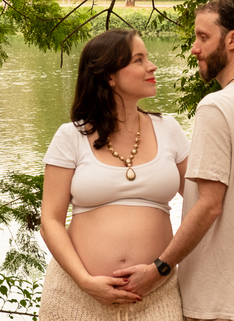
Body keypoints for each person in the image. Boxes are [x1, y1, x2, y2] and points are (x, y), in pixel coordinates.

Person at [113, 0, 234, 321]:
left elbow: (210, 204)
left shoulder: (216, 107)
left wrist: (159, 269)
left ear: (232, 40)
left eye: (203, 37)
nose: (194, 49)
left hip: (217, 303)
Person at [39, 28, 190, 320]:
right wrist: (84, 281)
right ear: (109, 76)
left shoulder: (169, 129)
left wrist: (162, 267)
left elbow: (204, 204)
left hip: (157, 293)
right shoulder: (70, 137)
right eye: (138, 60)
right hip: (77, 295)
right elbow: (50, 221)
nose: (152, 66)